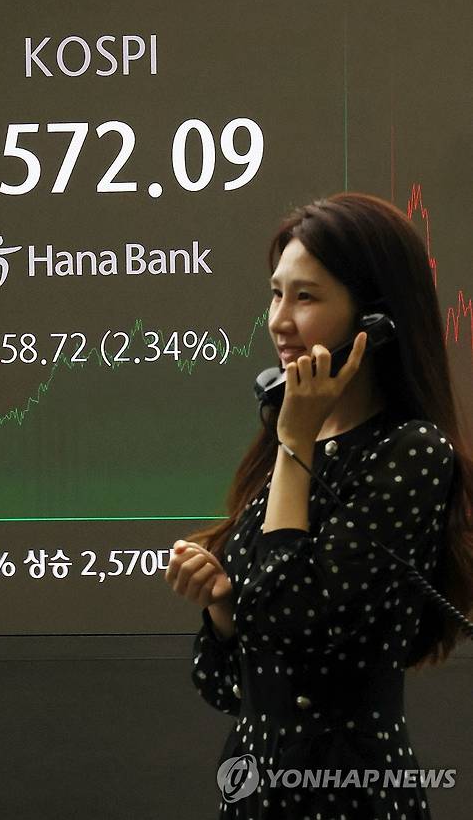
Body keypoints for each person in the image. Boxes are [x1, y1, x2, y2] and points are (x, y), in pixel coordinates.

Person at [165, 193, 473, 820]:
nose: (279, 321)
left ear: (374, 320)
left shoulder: (410, 451)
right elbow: (227, 687)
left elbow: (295, 624)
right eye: (275, 294)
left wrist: (293, 441)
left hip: (349, 792)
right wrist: (223, 608)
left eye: (304, 297)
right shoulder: (288, 446)